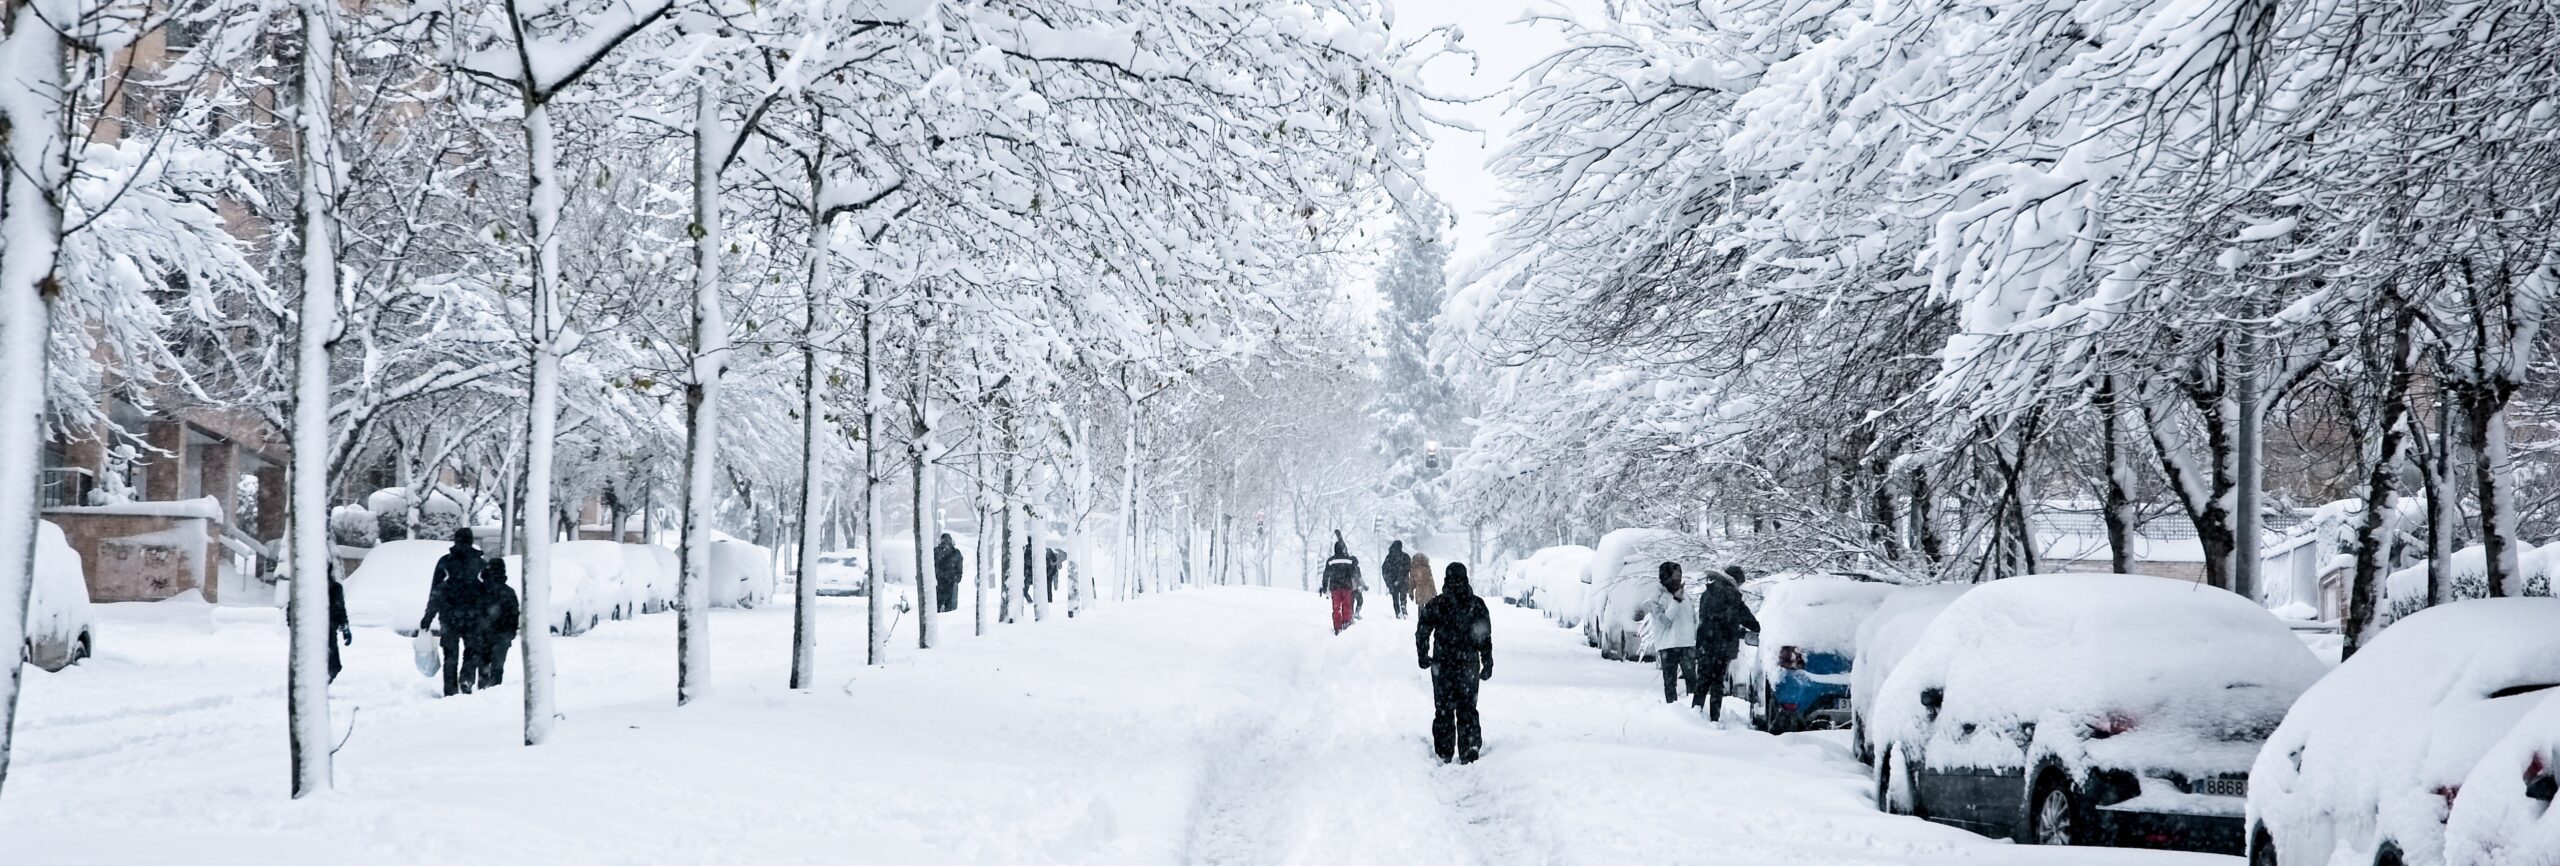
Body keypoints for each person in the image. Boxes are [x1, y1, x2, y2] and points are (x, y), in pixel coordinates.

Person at [1415, 561, 1493, 764]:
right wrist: (1487, 661)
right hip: (1468, 664)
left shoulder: (1438, 604)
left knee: (1443, 709)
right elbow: (1484, 636)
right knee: (1467, 707)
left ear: (1445, 580)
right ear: (1466, 579)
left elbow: (1423, 629)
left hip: (1443, 664)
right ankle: (1470, 747)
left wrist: (1423, 655)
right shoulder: (1477, 605)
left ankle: (1444, 751)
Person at [420, 528, 486, 697]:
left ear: (455, 540)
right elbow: (489, 592)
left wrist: (428, 616)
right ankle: (466, 679)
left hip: (449, 617)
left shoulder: (445, 562)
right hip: (473, 617)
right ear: (471, 541)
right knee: (471, 651)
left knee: (451, 655)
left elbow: (435, 592)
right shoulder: (480, 564)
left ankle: (450, 690)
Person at [1693, 564, 1763, 722]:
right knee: (1717, 683)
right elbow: (1740, 617)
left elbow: (1714, 620)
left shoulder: (1708, 592)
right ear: (1736, 581)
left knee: (1702, 681)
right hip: (1721, 647)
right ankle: (1714, 718)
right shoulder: (1731, 594)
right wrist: (1756, 627)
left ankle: (1695, 713)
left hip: (1705, 643)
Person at [1635, 563, 1702, 705]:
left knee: (1692, 680)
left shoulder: (1685, 595)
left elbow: (1693, 618)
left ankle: (1695, 711)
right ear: (1666, 577)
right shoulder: (1657, 598)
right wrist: (1676, 601)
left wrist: (1694, 638)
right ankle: (1673, 710)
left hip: (1687, 644)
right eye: (1676, 576)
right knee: (1670, 682)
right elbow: (1664, 621)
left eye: (1680, 576)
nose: (1679, 580)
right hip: (1668, 645)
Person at [473, 559, 521, 689]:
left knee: (483, 665)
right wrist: (510, 634)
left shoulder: (480, 590)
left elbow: (475, 611)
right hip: (501, 634)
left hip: (483, 634)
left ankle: (483, 689)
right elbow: (514, 614)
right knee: (497, 667)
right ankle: (493, 690)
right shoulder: (508, 592)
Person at [1321, 533, 1361, 634]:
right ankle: (1346, 623)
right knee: (1347, 606)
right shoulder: (1349, 560)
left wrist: (1325, 586)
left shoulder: (1330, 561)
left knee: (1336, 608)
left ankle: (1337, 627)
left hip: (1335, 587)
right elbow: (1354, 572)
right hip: (1347, 586)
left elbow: (1326, 575)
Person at [328, 566, 352, 682]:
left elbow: (340, 608)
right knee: (331, 665)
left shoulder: (335, 588)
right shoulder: (308, 588)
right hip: (317, 632)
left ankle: (319, 686)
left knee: (334, 666)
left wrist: (345, 627)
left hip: (330, 631)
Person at [1381, 541, 1413, 619]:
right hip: (1403, 580)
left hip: (1392, 581)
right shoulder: (1405, 556)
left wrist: (1388, 581)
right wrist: (1402, 576)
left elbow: (1384, 569)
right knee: (1403, 595)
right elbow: (1409, 567)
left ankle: (1398, 612)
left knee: (1395, 598)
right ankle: (1403, 606)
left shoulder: (1389, 557)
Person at [934, 533, 964, 613]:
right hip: (942, 582)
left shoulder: (955, 553)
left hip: (947, 583)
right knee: (948, 608)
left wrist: (956, 579)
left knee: (948, 608)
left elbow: (959, 569)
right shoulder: (937, 552)